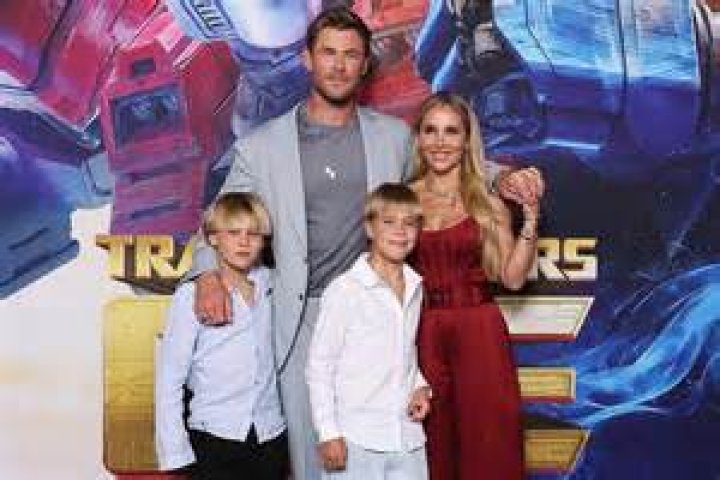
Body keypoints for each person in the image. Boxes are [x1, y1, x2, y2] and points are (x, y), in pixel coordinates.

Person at [186, 7, 543, 480]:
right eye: (328, 53)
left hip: (384, 319)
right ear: (307, 59)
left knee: (397, 460)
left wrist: (503, 180)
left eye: (351, 55)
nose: (338, 66)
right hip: (305, 320)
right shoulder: (262, 147)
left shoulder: (392, 137)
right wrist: (207, 274)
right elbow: (216, 219)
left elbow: (447, 167)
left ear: (365, 64)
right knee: (317, 462)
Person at [408, 92, 543, 480]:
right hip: (422, 334)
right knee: (432, 445)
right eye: (431, 130)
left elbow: (512, 278)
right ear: (418, 138)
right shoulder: (403, 201)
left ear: (467, 140)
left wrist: (530, 222)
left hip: (479, 332)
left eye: (451, 132)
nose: (440, 142)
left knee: (489, 443)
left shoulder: (487, 201)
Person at [155, 192, 288, 480]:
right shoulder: (191, 295)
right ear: (213, 238)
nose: (244, 242)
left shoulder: (274, 285)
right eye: (233, 233)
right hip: (213, 435)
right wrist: (175, 450)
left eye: (253, 234)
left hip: (270, 436)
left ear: (264, 241)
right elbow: (170, 378)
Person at [306, 183, 431, 480]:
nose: (400, 231)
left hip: (407, 438)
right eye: (389, 222)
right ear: (369, 228)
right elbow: (319, 366)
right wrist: (328, 432)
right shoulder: (345, 290)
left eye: (409, 223)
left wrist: (420, 387)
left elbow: (405, 351)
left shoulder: (415, 286)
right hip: (357, 438)